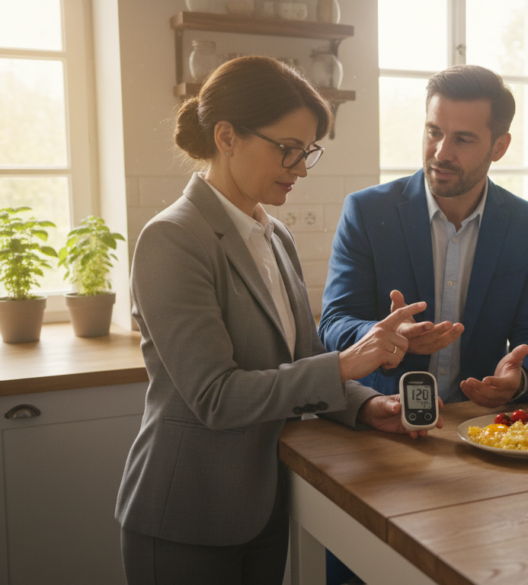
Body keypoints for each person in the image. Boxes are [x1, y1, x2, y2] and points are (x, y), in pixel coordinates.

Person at [115, 56, 438, 585]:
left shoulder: (275, 235)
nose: (300, 168)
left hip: (263, 504)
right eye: (286, 149)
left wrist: (367, 405)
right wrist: (343, 367)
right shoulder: (172, 239)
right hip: (187, 516)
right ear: (226, 136)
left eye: (307, 151)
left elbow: (302, 360)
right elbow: (217, 396)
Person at [319, 64, 528, 407]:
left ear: (499, 147)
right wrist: (384, 337)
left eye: (462, 139)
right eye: (434, 132)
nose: (441, 152)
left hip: (478, 424)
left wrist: (519, 378)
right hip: (380, 421)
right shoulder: (367, 212)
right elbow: (333, 323)